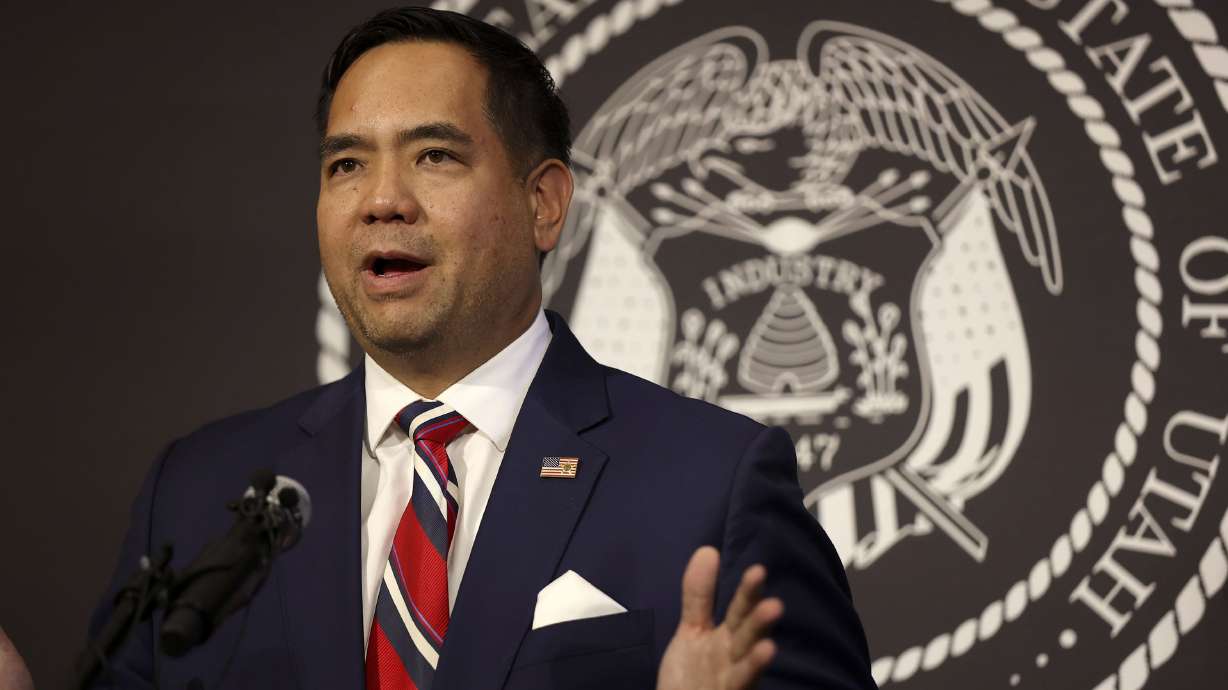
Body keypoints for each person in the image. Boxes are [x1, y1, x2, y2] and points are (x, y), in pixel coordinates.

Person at [86, 7, 876, 689]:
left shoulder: (711, 488)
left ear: (543, 204)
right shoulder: (195, 494)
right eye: (346, 165)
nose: (382, 200)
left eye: (435, 156)